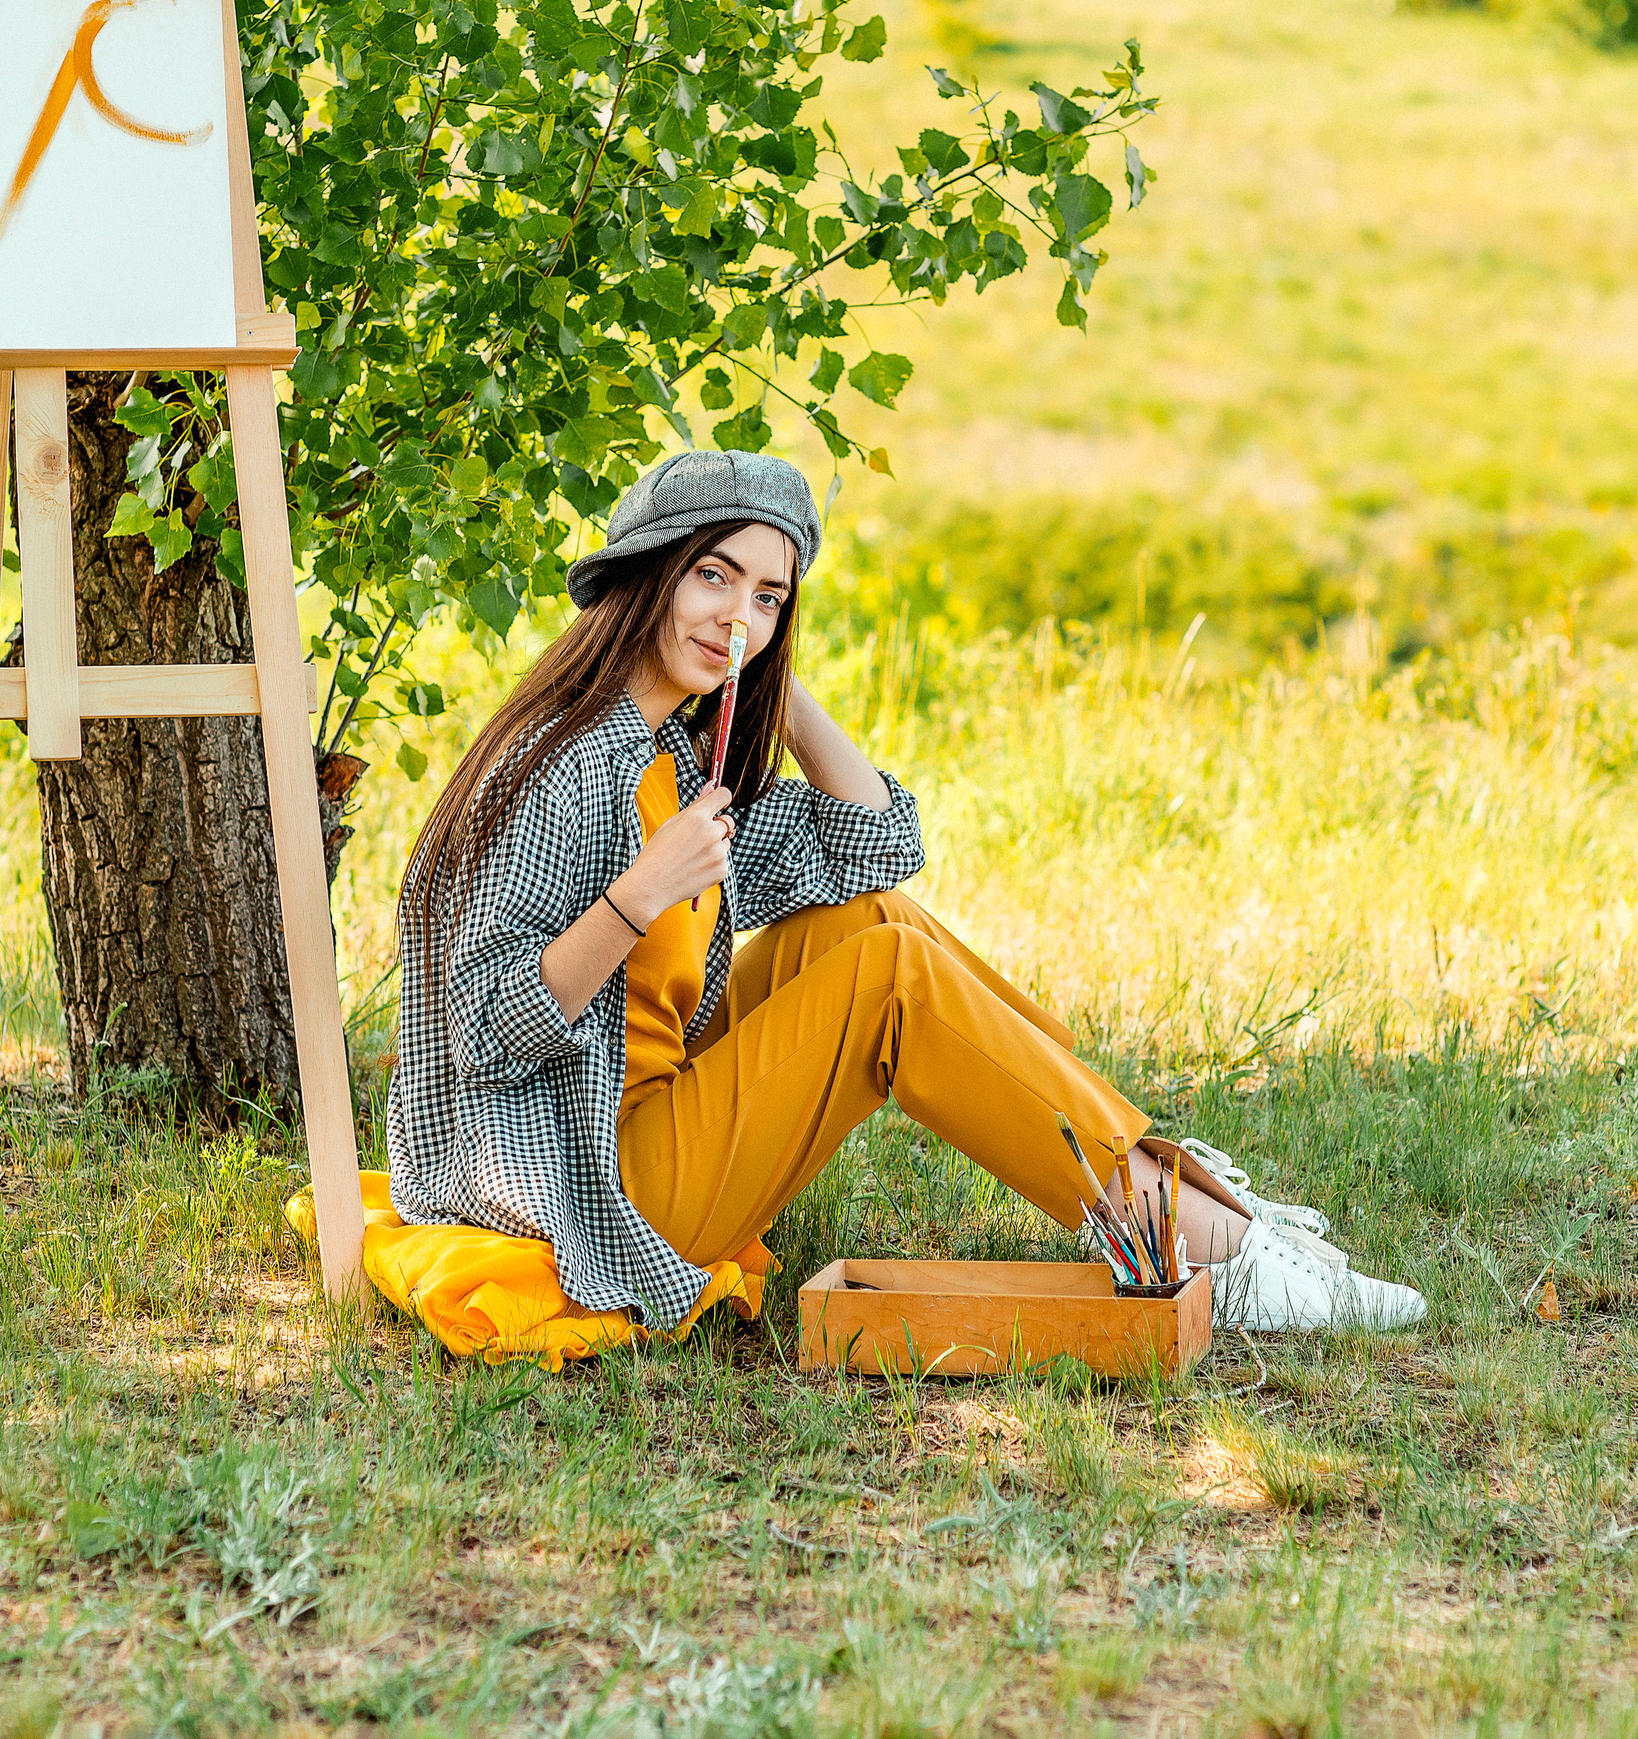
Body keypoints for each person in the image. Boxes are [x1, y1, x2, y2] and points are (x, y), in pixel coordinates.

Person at [388, 450, 1427, 1336]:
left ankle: (1175, 1199)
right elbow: (485, 1026)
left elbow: (875, 844)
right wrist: (637, 895)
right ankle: (1199, 1239)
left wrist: (769, 679)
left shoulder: (668, 752)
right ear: (643, 573)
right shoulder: (562, 768)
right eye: (712, 576)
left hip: (654, 1113)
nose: (736, 614)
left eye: (767, 595)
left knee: (868, 924)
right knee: (886, 978)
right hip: (590, 1182)